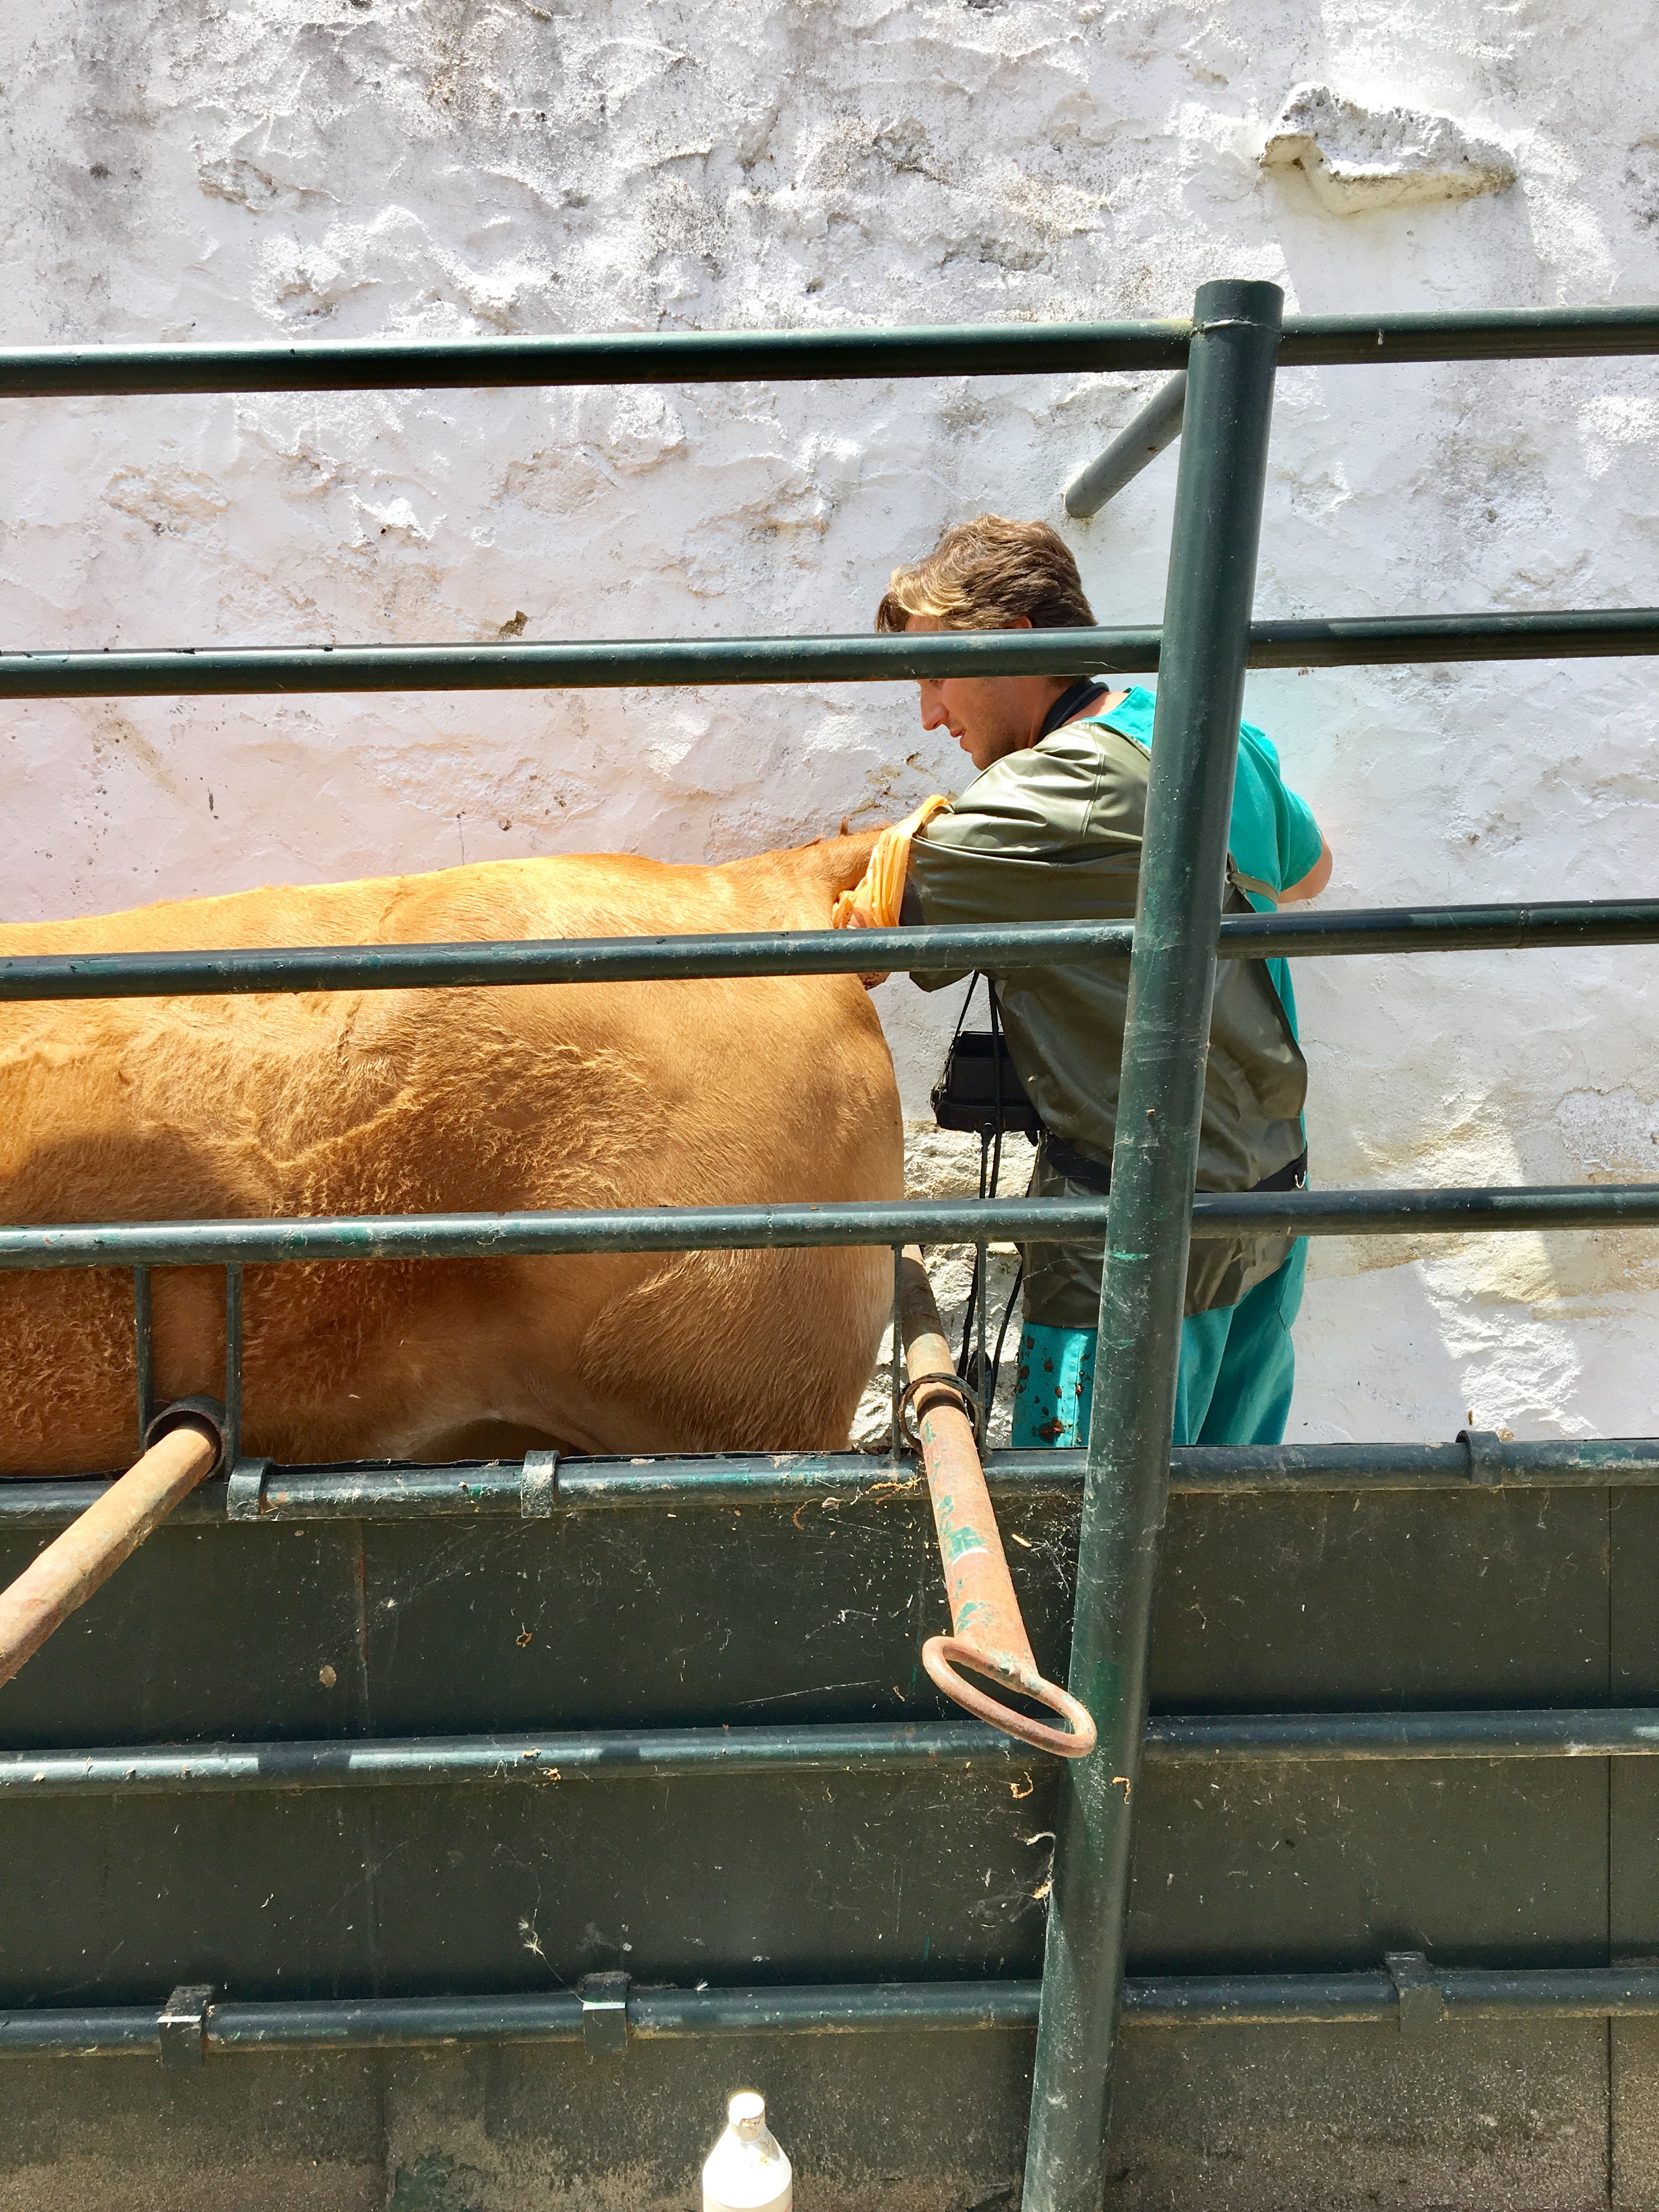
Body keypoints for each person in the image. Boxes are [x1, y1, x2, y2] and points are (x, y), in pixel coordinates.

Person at [839, 514, 1333, 1449]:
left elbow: (849, 942)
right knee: (1235, 1507)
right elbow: (1311, 871)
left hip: (1132, 1237)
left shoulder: (1046, 792)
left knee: (1085, 1521)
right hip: (1272, 1197)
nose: (930, 715)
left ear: (1017, 641)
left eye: (935, 674)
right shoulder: (1209, 733)